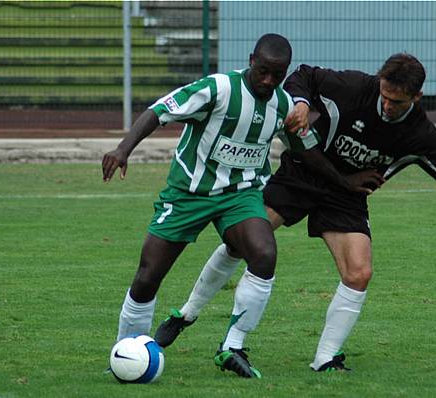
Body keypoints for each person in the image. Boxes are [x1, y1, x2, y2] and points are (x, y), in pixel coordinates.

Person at [153, 53, 436, 372]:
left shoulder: (420, 134)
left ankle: (325, 357)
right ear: (379, 82)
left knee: (359, 273)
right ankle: (187, 313)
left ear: (416, 98)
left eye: (397, 102)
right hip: (302, 174)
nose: (387, 105)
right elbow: (305, 74)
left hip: (347, 196)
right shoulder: (356, 87)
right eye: (385, 96)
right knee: (241, 243)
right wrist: (301, 103)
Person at [102, 33, 354, 379]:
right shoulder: (218, 89)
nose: (268, 81)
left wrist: (345, 182)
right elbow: (160, 111)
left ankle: (232, 346)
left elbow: (305, 150)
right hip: (189, 194)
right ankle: (126, 353)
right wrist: (123, 149)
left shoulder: (282, 104)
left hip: (241, 195)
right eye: (263, 71)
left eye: (276, 75)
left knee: (264, 253)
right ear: (252, 60)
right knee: (148, 277)